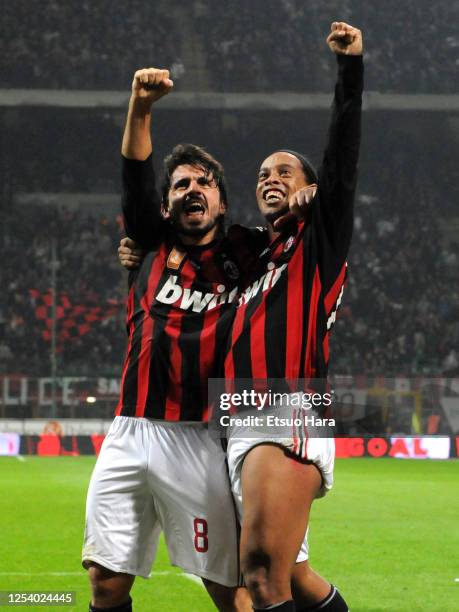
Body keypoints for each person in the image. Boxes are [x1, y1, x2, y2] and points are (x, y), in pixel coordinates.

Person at [118, 21, 363, 611]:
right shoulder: (253, 254)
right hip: (234, 415)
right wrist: (136, 246)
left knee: (259, 575)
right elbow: (167, 229)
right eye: (263, 175)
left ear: (309, 187)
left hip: (284, 400)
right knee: (293, 576)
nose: (270, 179)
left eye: (286, 173)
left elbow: (341, 165)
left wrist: (350, 72)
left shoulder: (317, 241)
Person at [82, 68, 251, 612]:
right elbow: (134, 168)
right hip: (128, 429)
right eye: (181, 183)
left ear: (222, 203)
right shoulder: (149, 245)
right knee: (106, 581)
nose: (193, 189)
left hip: (197, 436)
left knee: (228, 586)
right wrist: (140, 105)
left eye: (205, 182)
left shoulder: (245, 258)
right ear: (164, 205)